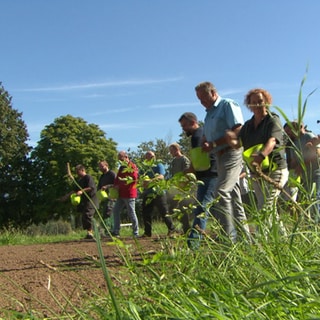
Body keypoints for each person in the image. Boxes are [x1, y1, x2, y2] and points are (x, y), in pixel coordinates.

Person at [225, 88, 288, 235]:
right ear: (249, 105)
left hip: (276, 169)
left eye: (260, 101)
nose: (258, 104)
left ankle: (261, 241)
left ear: (266, 102)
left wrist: (261, 155)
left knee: (266, 206)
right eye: (254, 102)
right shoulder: (247, 126)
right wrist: (230, 138)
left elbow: (272, 141)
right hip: (257, 173)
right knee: (266, 206)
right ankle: (284, 239)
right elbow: (238, 144)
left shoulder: (273, 120)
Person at [195, 82, 250, 243]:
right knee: (234, 197)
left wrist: (214, 143)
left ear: (212, 92)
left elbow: (238, 130)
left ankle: (228, 241)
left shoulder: (227, 105)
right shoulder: (208, 114)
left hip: (231, 153)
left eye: (203, 97)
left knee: (221, 192)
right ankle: (245, 241)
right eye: (199, 99)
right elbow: (209, 136)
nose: (201, 102)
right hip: (218, 157)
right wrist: (206, 141)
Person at [178, 112, 218, 247]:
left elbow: (198, 162)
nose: (183, 129)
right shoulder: (199, 134)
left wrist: (185, 175)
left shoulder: (197, 136)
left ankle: (193, 243)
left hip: (211, 176)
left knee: (202, 208)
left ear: (193, 122)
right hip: (205, 177)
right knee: (204, 208)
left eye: (184, 126)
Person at [283, 121, 320, 222]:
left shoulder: (308, 136)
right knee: (307, 200)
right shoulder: (293, 143)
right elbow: (293, 161)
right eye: (286, 132)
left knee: (315, 199)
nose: (288, 134)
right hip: (304, 177)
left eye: (289, 131)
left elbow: (317, 154)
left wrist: (302, 165)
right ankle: (311, 224)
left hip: (316, 174)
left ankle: (316, 223)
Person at [140, 151, 176, 238]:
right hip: (148, 193)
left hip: (158, 192)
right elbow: (140, 177)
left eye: (151, 156)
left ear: (154, 157)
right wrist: (141, 182)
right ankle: (147, 233)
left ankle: (172, 230)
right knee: (146, 212)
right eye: (148, 157)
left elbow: (161, 176)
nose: (150, 158)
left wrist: (151, 181)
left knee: (164, 211)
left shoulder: (158, 164)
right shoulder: (144, 167)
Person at [61, 164, 98, 240]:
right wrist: (67, 196)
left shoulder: (88, 177)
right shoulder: (80, 180)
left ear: (82, 170)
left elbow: (91, 187)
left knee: (88, 215)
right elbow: (75, 190)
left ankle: (93, 232)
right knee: (84, 216)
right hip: (85, 202)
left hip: (91, 200)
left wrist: (82, 191)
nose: (77, 174)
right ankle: (89, 233)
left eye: (78, 172)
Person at [111, 151, 139, 237]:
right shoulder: (121, 168)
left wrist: (121, 184)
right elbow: (117, 178)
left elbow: (134, 178)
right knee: (115, 210)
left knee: (131, 212)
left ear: (126, 157)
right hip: (121, 194)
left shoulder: (132, 166)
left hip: (129, 193)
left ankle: (135, 232)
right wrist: (115, 186)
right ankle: (116, 231)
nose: (120, 161)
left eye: (121, 159)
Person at [168, 142, 191, 234]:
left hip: (184, 188)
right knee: (174, 208)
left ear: (177, 149)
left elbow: (187, 173)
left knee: (183, 207)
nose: (171, 153)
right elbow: (173, 174)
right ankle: (181, 228)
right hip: (175, 188)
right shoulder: (173, 161)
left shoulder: (184, 159)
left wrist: (183, 183)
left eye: (171, 151)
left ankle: (187, 229)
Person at [97, 161, 116, 231]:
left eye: (102, 166)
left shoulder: (112, 174)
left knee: (109, 212)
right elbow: (99, 187)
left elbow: (117, 184)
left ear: (106, 165)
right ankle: (107, 230)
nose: (100, 168)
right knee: (105, 212)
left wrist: (107, 186)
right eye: (99, 167)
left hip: (112, 197)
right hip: (104, 198)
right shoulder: (102, 176)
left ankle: (111, 229)